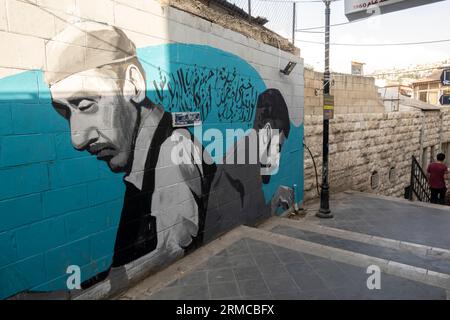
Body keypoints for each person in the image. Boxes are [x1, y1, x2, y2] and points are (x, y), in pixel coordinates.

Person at [45, 22, 215, 286]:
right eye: (66, 112)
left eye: (86, 105)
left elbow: (171, 249)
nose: (77, 139)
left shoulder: (171, 149)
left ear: (133, 84)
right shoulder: (145, 158)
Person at [203, 89, 291, 241]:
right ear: (268, 130)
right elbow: (248, 225)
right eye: (278, 147)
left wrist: (275, 199)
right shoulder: (245, 159)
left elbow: (253, 215)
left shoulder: (249, 151)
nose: (278, 156)